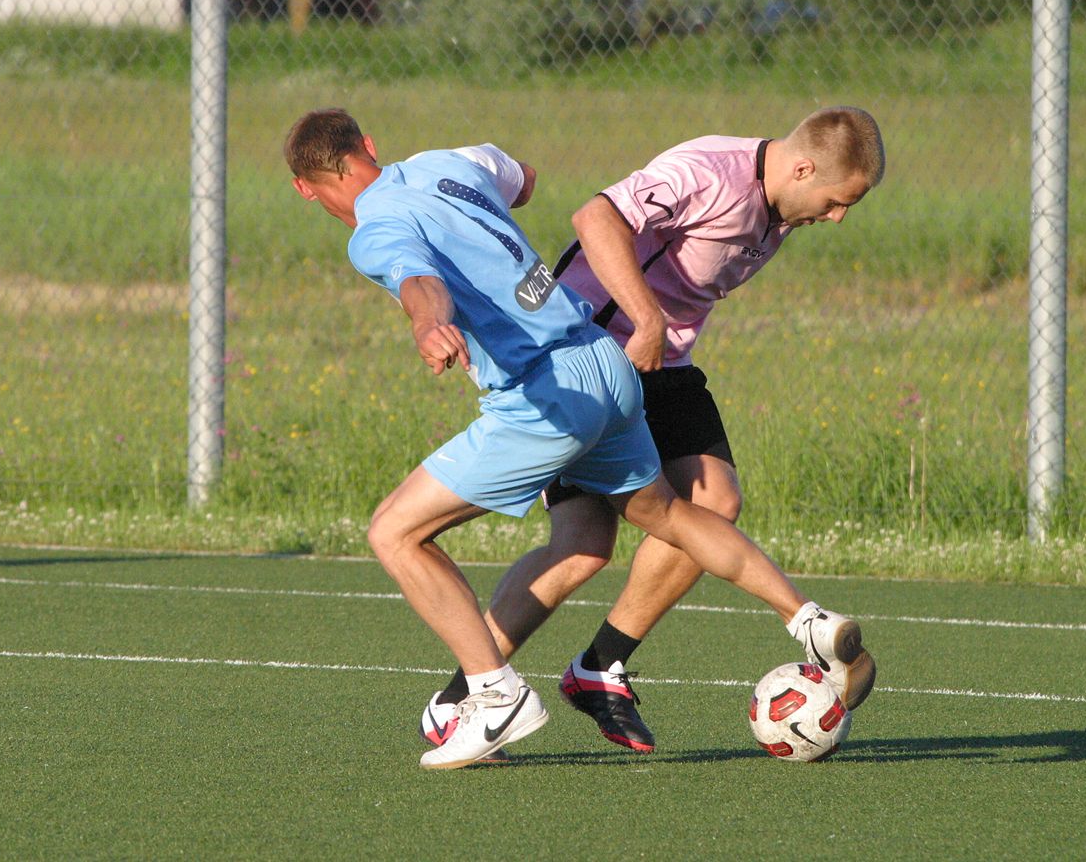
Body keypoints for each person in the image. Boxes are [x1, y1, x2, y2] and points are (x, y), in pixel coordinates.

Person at [286, 107, 874, 770]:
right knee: (665, 516)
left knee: (394, 532)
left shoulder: (375, 229)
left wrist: (428, 325)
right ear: (368, 144)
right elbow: (524, 179)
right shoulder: (450, 162)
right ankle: (807, 619)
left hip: (548, 396)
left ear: (305, 189)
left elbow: (420, 283)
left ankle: (493, 694)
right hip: (605, 360)